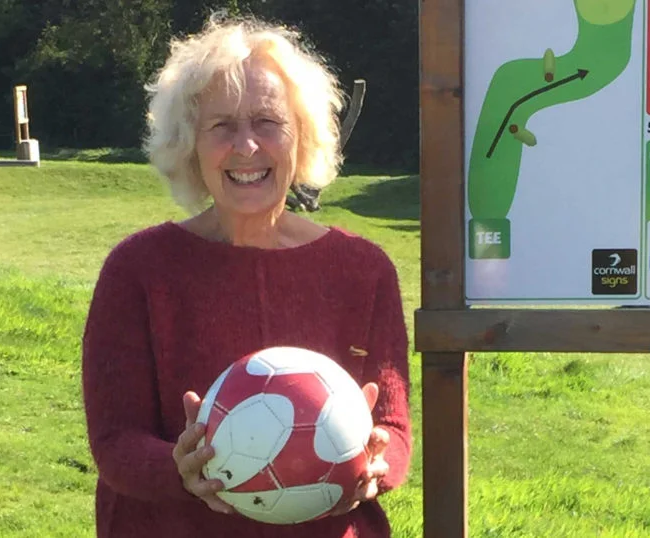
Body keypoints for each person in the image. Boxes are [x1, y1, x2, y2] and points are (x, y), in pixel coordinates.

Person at [80, 14, 413, 538]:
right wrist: (179, 468)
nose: (247, 147)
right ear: (189, 142)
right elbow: (116, 440)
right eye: (222, 126)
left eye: (267, 122)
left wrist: (378, 462)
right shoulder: (138, 269)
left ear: (301, 136)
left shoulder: (363, 270)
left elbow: (392, 429)